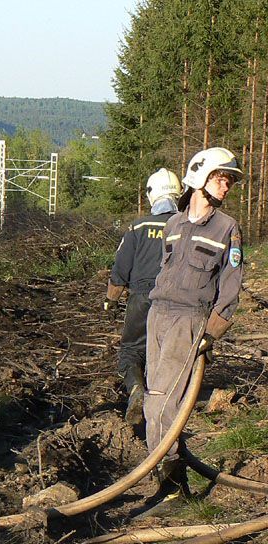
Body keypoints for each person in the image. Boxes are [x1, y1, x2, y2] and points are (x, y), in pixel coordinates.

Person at [142, 147, 244, 512]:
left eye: (230, 180)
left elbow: (230, 288)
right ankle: (166, 478)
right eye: (221, 177)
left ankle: (172, 490)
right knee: (153, 399)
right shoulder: (173, 225)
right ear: (199, 177)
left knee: (165, 403)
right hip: (159, 315)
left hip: (189, 320)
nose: (227, 185)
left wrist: (211, 332)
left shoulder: (227, 228)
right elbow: (164, 271)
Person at [105, 168, 181, 426]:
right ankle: (166, 403)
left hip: (142, 297)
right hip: (178, 302)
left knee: (131, 350)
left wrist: (111, 300)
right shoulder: (186, 227)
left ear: (152, 194)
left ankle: (136, 389)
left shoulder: (138, 226)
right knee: (169, 353)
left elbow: (120, 270)